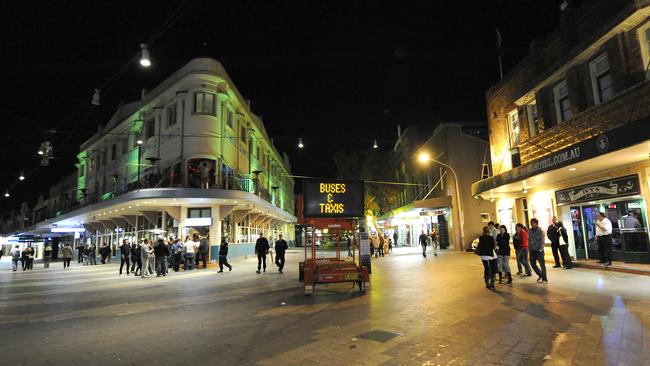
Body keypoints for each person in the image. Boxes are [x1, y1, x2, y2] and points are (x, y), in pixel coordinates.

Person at [528, 218, 547, 283]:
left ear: (536, 223)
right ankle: (540, 274)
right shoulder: (530, 231)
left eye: (532, 223)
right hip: (532, 250)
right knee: (532, 263)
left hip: (539, 251)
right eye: (530, 223)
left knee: (542, 265)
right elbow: (529, 240)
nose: (531, 224)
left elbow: (542, 240)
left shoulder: (540, 230)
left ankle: (544, 279)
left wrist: (541, 249)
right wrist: (529, 248)